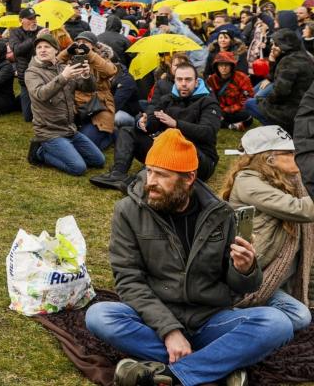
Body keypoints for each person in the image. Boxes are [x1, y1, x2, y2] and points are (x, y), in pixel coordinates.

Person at [85, 129, 289, 386]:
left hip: (210, 319)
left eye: (162, 175)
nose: (150, 182)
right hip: (155, 320)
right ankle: (218, 366)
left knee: (278, 323)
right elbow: (128, 280)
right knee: (99, 316)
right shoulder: (128, 211)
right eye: (149, 171)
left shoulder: (221, 213)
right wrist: (170, 331)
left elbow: (242, 289)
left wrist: (245, 269)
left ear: (189, 178)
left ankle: (171, 374)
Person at [222, 126, 314, 332]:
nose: (295, 155)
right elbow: (302, 209)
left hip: (277, 276)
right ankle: (232, 318)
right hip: (253, 276)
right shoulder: (248, 181)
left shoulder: (290, 180)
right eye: (289, 152)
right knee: (300, 317)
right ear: (269, 158)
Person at [91, 62, 222, 190]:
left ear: (197, 82)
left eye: (188, 80)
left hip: (199, 158)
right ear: (174, 81)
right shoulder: (168, 99)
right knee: (127, 131)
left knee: (171, 138)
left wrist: (176, 124)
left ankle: (140, 181)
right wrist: (143, 122)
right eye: (179, 79)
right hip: (166, 151)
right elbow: (153, 118)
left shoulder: (208, 102)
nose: (183, 84)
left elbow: (208, 132)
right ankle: (118, 174)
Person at [25, 32, 105, 176]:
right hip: (49, 132)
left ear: (56, 50)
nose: (42, 50)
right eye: (39, 47)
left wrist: (87, 76)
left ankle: (66, 148)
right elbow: (40, 94)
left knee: (99, 161)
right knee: (78, 168)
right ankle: (40, 153)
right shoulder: (32, 72)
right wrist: (63, 77)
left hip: (70, 129)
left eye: (47, 47)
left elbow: (88, 88)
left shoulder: (63, 67)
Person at [246, 29, 314, 133]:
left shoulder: (289, 61)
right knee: (258, 93)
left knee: (250, 103)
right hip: (305, 107)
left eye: (277, 45)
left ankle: (279, 130)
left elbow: (281, 92)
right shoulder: (303, 56)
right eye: (273, 44)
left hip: (291, 110)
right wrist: (272, 61)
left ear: (286, 45)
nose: (273, 47)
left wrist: (264, 101)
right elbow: (276, 79)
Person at [59, 32, 118, 150]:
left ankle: (111, 136)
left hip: (99, 107)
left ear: (94, 45)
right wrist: (67, 52)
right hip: (77, 108)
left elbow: (110, 71)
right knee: (62, 138)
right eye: (78, 42)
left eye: (85, 43)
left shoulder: (102, 58)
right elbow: (54, 63)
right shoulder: (73, 58)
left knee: (86, 146)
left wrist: (90, 54)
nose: (81, 45)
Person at [206, 51, 254, 131]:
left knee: (247, 114)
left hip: (236, 111)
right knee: (208, 113)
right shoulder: (212, 80)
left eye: (227, 64)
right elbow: (209, 98)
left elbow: (247, 98)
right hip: (219, 110)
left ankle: (223, 122)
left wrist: (229, 110)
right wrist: (219, 110)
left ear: (232, 66)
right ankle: (230, 125)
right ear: (216, 66)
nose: (223, 67)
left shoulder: (242, 77)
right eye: (220, 65)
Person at [8, 7, 40, 122]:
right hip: (25, 77)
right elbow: (17, 50)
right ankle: (17, 101)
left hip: (41, 76)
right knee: (28, 117)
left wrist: (48, 37)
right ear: (21, 20)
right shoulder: (15, 32)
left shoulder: (42, 30)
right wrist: (35, 38)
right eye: (30, 19)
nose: (34, 21)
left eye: (35, 18)